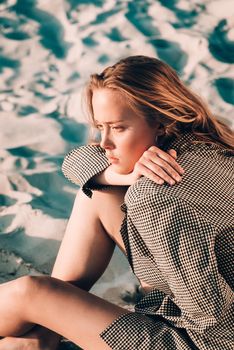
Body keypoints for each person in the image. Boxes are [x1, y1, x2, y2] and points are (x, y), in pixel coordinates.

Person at [0, 55, 233, 350]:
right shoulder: (208, 143)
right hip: (185, 301)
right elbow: (80, 160)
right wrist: (123, 175)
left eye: (118, 128)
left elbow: (214, 324)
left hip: (199, 341)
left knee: (30, 293)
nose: (105, 142)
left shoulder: (155, 197)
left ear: (160, 122)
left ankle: (39, 337)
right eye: (100, 126)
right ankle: (44, 334)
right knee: (97, 191)